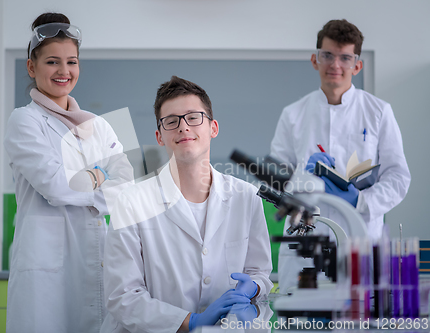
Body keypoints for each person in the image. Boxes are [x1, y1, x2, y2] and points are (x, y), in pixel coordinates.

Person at [101, 76, 273, 332]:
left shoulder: (246, 197)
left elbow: (260, 273)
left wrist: (254, 287)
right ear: (160, 136)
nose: (183, 127)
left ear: (213, 128)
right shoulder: (131, 203)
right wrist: (189, 321)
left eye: (193, 117)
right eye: (171, 121)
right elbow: (122, 297)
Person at [4, 12, 133, 332]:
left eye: (72, 62)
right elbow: (56, 186)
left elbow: (129, 183)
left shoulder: (99, 124)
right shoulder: (24, 120)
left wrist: (88, 180)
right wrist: (103, 173)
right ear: (31, 67)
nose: (64, 71)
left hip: (97, 259)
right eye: (52, 62)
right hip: (45, 266)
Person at [270, 19, 411, 294]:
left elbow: (398, 177)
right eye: (328, 55)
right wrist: (304, 177)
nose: (336, 65)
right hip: (307, 238)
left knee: (358, 315)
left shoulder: (379, 112)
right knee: (302, 317)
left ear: (357, 65)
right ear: (315, 60)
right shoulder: (293, 114)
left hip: (360, 238)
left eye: (345, 57)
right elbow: (278, 178)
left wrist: (360, 200)